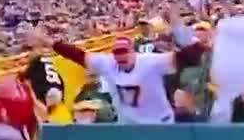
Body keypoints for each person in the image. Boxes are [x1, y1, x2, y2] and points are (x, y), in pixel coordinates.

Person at [51, 34, 205, 124]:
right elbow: (78, 55)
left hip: (159, 122)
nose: (121, 57)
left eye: (125, 52)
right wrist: (52, 43)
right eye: (117, 53)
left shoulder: (150, 62)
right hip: (129, 124)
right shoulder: (109, 63)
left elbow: (183, 58)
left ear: (133, 52)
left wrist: (202, 46)